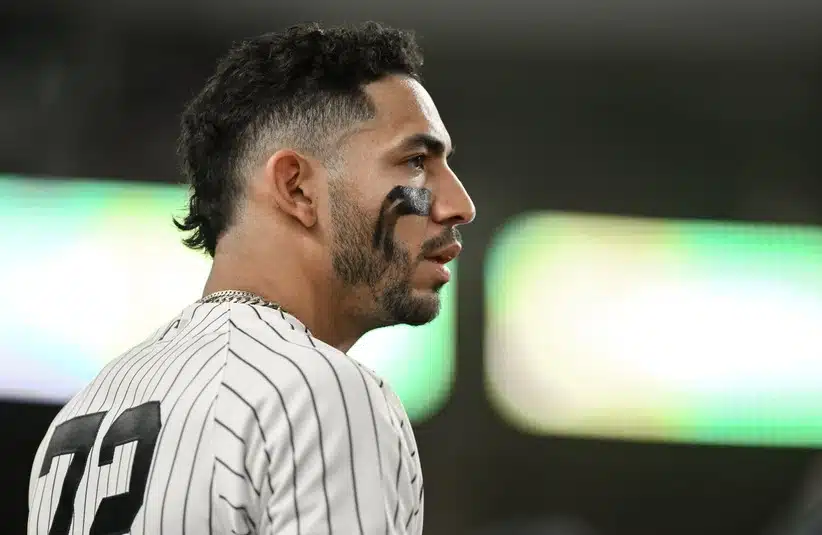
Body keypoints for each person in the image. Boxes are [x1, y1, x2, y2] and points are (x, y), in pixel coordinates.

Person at [27, 21, 475, 535]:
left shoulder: (86, 409)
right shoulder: (318, 392)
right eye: (416, 161)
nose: (460, 205)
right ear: (297, 188)